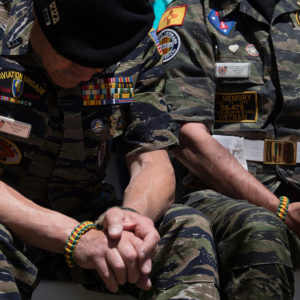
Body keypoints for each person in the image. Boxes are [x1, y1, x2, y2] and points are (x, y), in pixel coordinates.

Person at [0, 0, 220, 299]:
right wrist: (74, 236)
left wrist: (130, 219)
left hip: (89, 221)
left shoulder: (137, 51)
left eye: (101, 65)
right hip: (9, 223)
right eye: (73, 58)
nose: (85, 75)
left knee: (186, 229)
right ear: (42, 16)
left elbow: (151, 159)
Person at [158, 0, 300, 299]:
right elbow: (188, 137)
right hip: (221, 192)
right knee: (260, 230)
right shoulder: (192, 13)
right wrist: (280, 210)